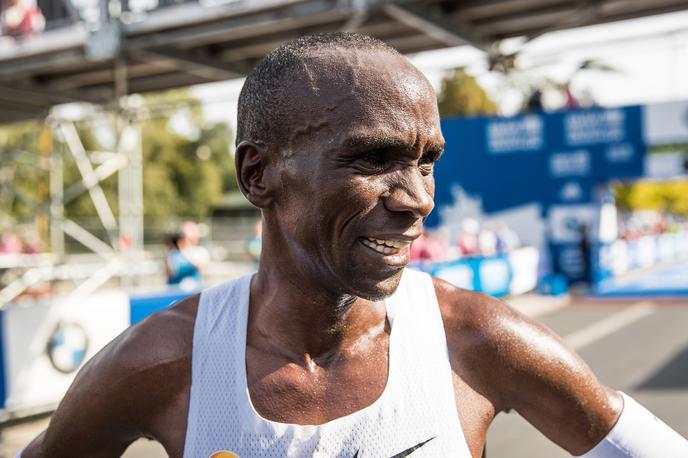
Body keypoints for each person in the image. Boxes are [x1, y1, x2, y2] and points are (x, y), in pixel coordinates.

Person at [21, 33, 687, 457]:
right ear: (258, 174)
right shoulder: (160, 361)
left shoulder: (481, 341)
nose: (418, 197)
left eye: (426, 162)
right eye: (374, 159)